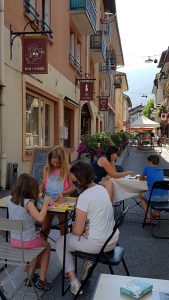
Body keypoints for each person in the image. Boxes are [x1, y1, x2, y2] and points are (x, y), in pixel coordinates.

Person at [56, 162, 119, 295]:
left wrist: (73, 226)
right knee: (87, 233)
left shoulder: (84, 197)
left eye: (74, 181)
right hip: (112, 240)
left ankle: (74, 282)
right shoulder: (101, 189)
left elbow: (78, 231)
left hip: (98, 244)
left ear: (80, 180)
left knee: (61, 242)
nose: (73, 185)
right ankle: (87, 261)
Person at [8, 173, 51, 291]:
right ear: (30, 189)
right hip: (27, 242)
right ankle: (42, 280)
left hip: (14, 241)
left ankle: (30, 276)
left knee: (36, 244)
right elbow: (41, 219)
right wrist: (46, 204)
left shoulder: (11, 201)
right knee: (46, 246)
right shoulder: (28, 203)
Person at [40, 146, 76, 236]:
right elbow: (43, 184)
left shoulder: (68, 169)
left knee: (63, 228)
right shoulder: (47, 168)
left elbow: (73, 187)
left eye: (57, 163)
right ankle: (43, 248)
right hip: (48, 201)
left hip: (62, 201)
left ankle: (63, 248)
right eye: (52, 163)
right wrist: (40, 191)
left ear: (63, 161)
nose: (55, 165)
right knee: (44, 228)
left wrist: (63, 193)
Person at [139, 155, 168, 223]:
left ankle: (149, 216)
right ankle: (157, 212)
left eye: (148, 162)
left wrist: (146, 178)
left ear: (151, 162)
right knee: (156, 193)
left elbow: (141, 178)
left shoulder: (147, 168)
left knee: (141, 195)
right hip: (166, 197)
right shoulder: (161, 171)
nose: (147, 163)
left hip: (155, 197)